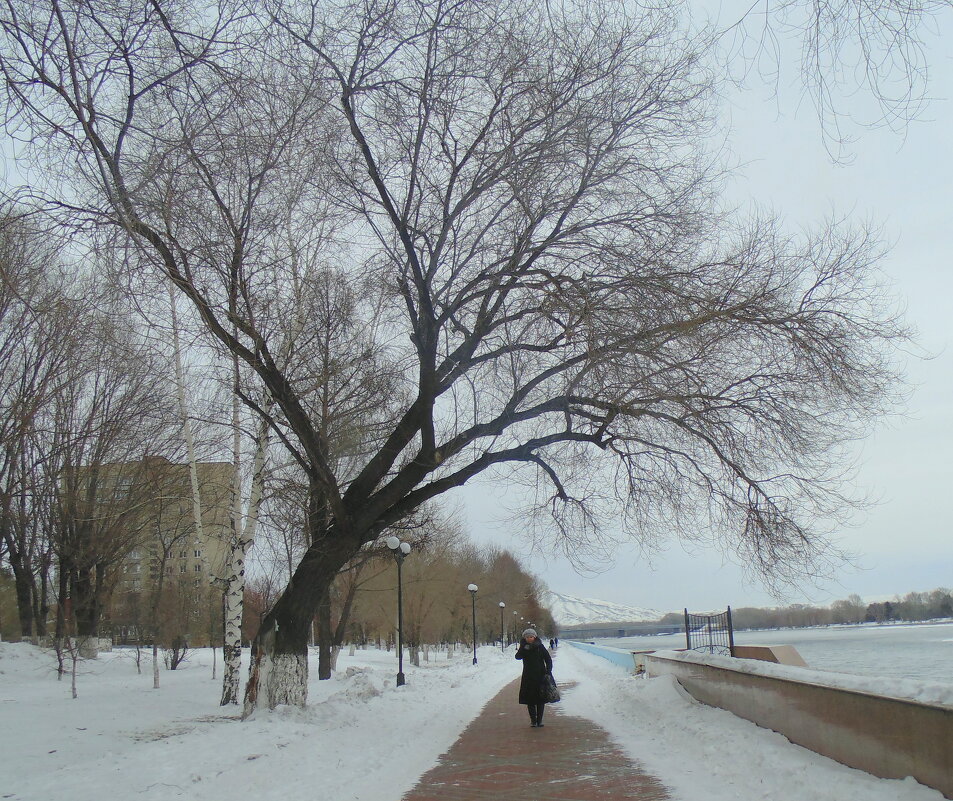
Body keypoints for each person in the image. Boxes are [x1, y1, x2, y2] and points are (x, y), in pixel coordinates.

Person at [515, 628, 553, 727]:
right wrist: (522, 647)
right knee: (530, 700)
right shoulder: (524, 647)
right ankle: (533, 720)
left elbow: (548, 659)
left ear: (535, 637)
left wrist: (548, 670)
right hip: (528, 676)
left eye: (531, 637)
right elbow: (517, 657)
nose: (529, 638)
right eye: (527, 637)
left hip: (540, 675)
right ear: (525, 638)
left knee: (540, 699)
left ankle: (539, 721)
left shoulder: (540, 647)